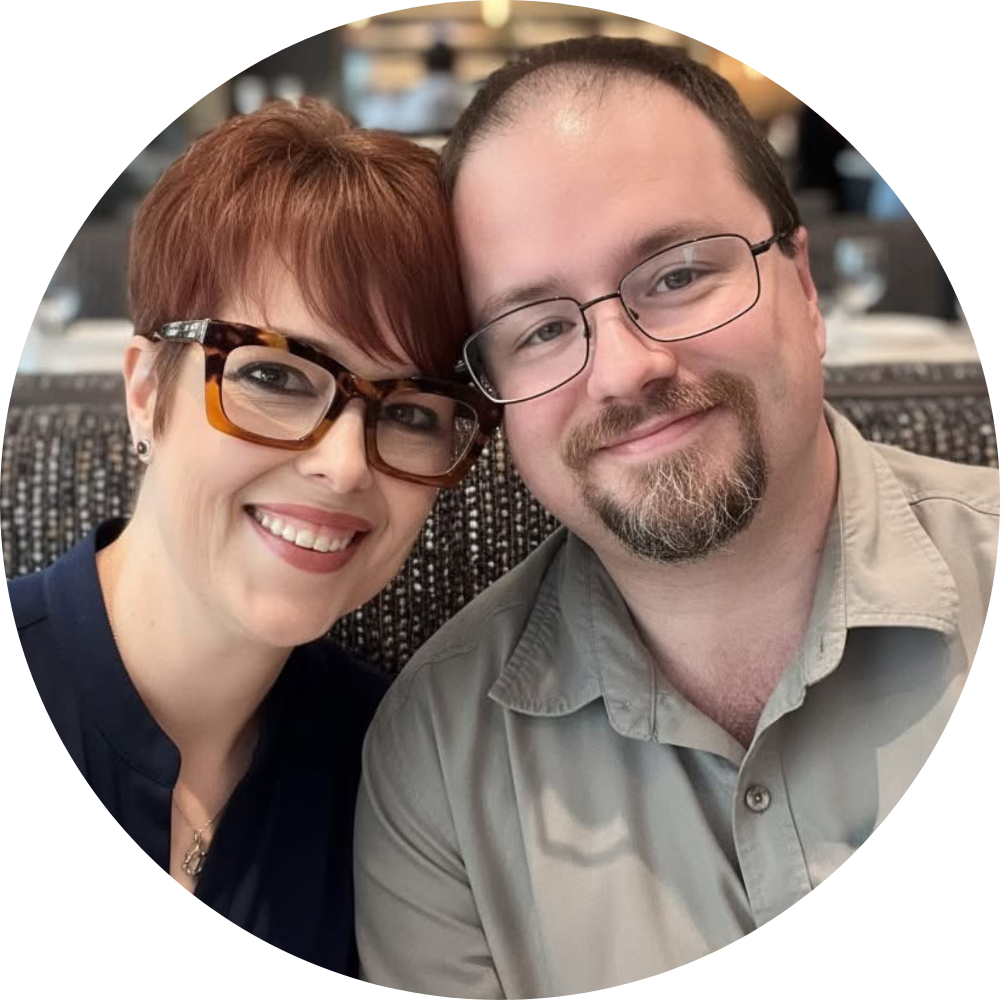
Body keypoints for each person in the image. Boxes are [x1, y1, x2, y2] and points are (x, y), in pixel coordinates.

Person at [354, 37, 1000, 998]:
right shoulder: (439, 760)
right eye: (538, 329)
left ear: (805, 289)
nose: (623, 369)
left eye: (678, 275)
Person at [7, 98, 500, 996]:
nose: (345, 465)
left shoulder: (402, 777)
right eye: (275, 374)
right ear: (145, 392)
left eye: (414, 412)